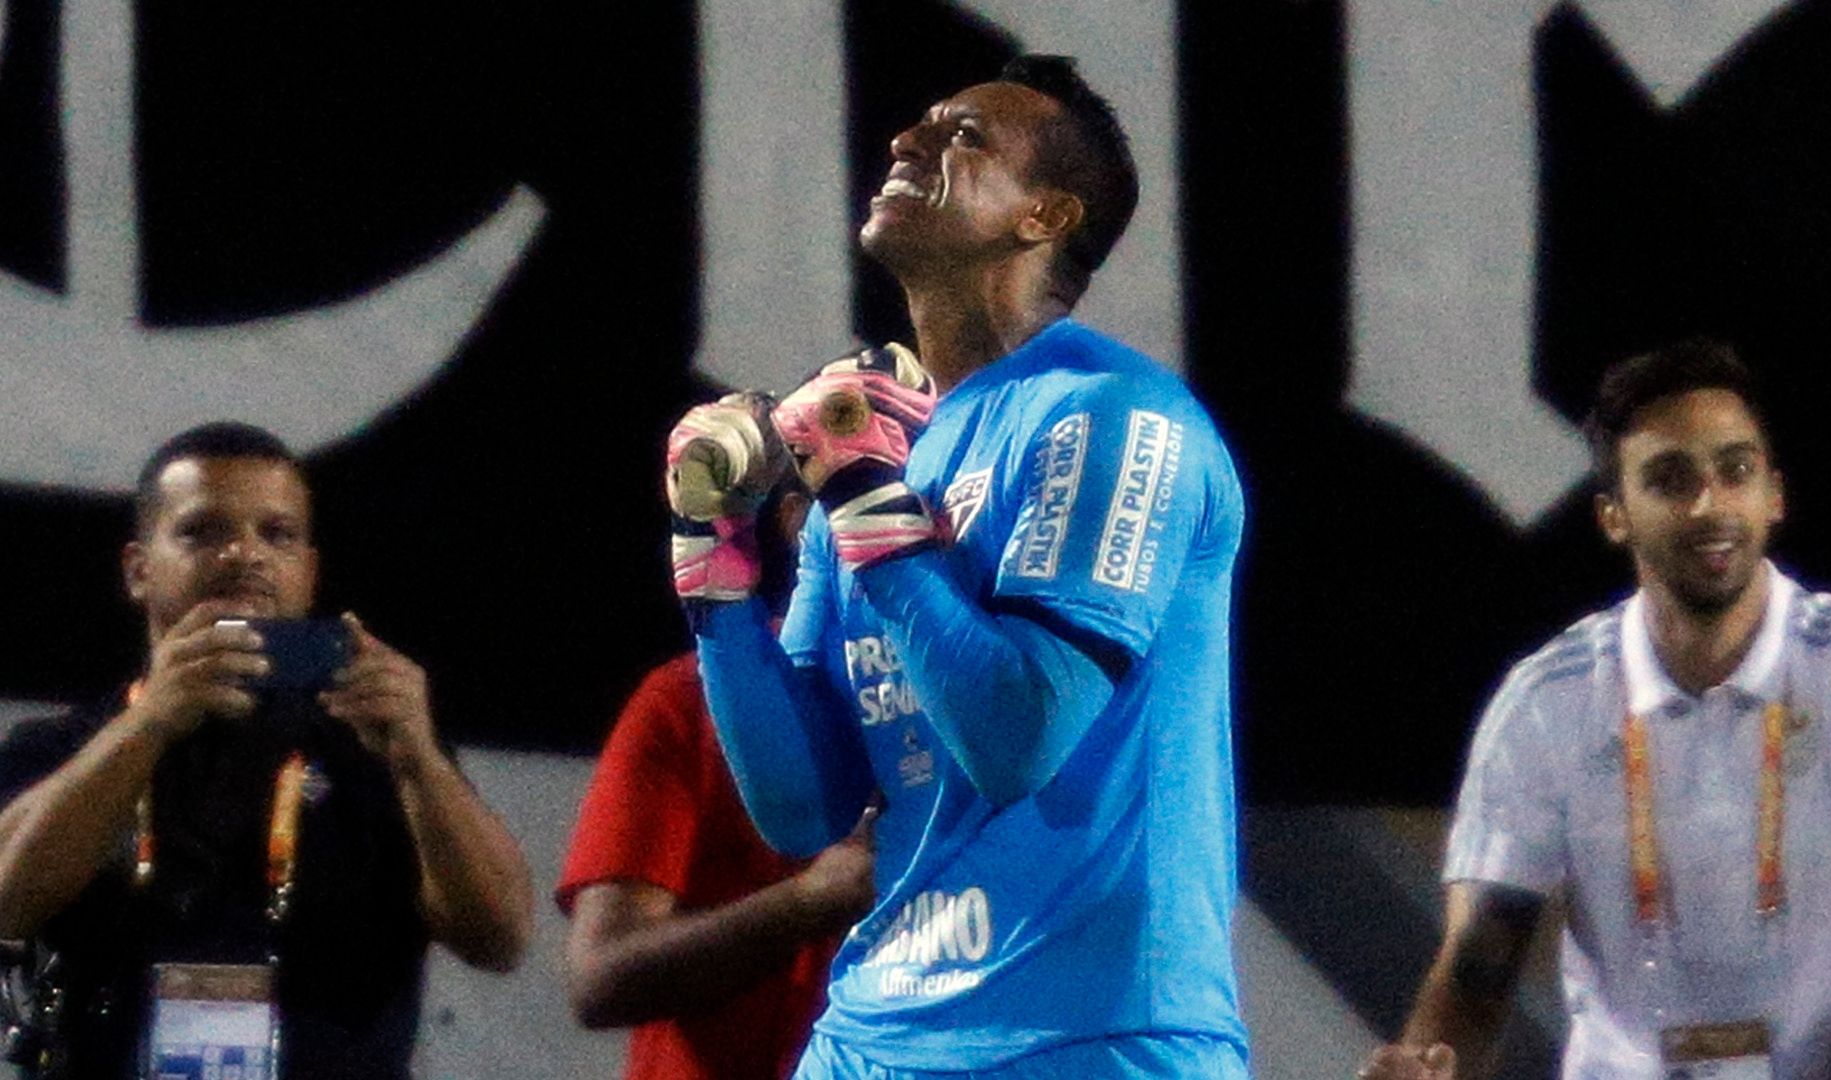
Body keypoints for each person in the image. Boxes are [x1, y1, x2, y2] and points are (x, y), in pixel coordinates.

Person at [663, 55, 1248, 1079]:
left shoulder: (1115, 415)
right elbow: (802, 806)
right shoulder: (892, 451)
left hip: (1084, 1040)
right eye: (918, 126)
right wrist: (717, 562)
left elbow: (1019, 737)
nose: (906, 142)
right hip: (870, 1038)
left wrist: (859, 500)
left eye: (963, 136)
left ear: (1045, 216)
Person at [1362, 338, 1831, 1080]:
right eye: (1669, 479)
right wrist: (1425, 1066)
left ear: (1774, 496)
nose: (1709, 505)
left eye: (1736, 472)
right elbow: (1477, 969)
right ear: (1614, 516)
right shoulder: (1545, 705)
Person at [0, 422, 533, 1079]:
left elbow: (501, 939)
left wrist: (419, 761)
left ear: (309, 570)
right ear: (138, 569)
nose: (243, 555)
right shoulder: (66, 746)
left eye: (276, 534)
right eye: (203, 531)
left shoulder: (374, 749)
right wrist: (150, 725)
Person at [557, 481, 876, 1080]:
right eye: (871, 490)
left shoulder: (1003, 709)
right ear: (800, 520)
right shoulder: (683, 703)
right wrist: (813, 900)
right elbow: (599, 976)